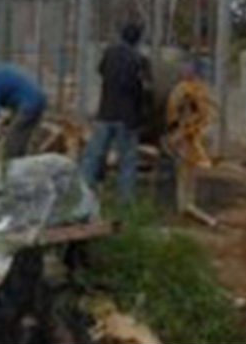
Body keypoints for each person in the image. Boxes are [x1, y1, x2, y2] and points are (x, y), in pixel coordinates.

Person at [81, 23, 152, 201]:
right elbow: (147, 89)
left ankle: (82, 194)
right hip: (127, 119)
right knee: (127, 161)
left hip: (105, 113)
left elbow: (101, 71)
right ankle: (125, 201)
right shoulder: (140, 60)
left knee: (93, 156)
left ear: (121, 35)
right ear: (138, 39)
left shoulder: (109, 53)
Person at [164, 59, 212, 214]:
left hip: (191, 135)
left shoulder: (194, 90)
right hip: (185, 135)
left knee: (189, 172)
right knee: (185, 172)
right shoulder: (183, 90)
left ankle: (188, 205)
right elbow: (172, 115)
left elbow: (203, 112)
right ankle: (184, 206)